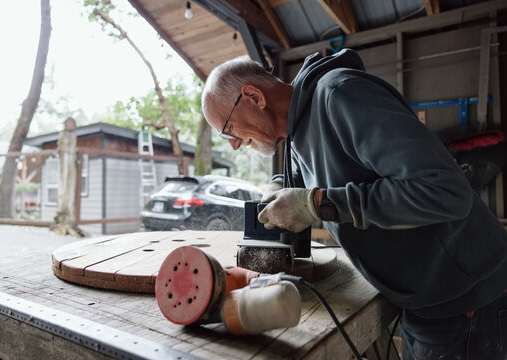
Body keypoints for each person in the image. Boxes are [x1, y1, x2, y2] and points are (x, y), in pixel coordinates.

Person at [201, 49, 507, 359]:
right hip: (426, 297)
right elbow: (302, 175)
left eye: (228, 129)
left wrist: (317, 204)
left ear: (253, 96)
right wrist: (279, 185)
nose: (234, 144)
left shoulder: (340, 95)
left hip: (466, 299)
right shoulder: (294, 134)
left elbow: (445, 191)